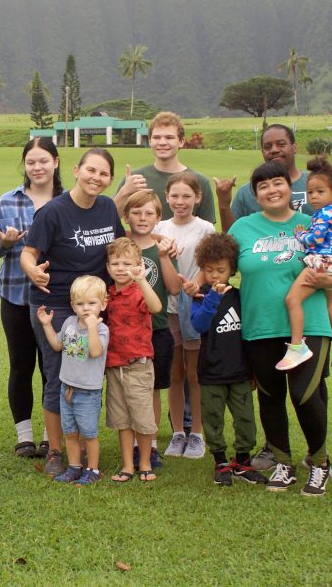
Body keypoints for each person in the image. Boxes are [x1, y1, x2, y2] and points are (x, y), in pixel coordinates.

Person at [213, 123, 332, 472]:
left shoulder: (311, 222)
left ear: (290, 188)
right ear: (255, 194)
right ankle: (282, 462)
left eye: (277, 183)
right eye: (263, 186)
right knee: (271, 397)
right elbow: (220, 265)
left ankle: (319, 460)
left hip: (310, 323)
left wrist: (330, 279)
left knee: (304, 395)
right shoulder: (243, 228)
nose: (271, 190)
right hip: (260, 325)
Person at [21, 148, 125, 476]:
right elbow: (28, 252)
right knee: (59, 375)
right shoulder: (53, 212)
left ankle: (79, 443)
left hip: (93, 305)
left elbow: (119, 249)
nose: (96, 178)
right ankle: (55, 450)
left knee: (88, 372)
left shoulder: (107, 208)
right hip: (56, 306)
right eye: (91, 170)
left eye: (104, 174)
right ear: (77, 170)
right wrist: (33, 271)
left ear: (109, 180)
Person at [0, 137, 62, 459]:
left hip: (56, 297)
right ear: (25, 166)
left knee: (52, 366)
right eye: (31, 162)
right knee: (20, 366)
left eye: (43, 160)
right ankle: (24, 436)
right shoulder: (8, 201)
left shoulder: (68, 201)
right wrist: (5, 244)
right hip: (15, 295)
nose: (37, 167)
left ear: (56, 163)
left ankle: (50, 435)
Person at [189, 233, 265, 487]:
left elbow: (250, 333)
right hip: (211, 372)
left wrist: (254, 369)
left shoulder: (241, 296)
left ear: (232, 269)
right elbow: (198, 325)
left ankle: (242, 461)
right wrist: (212, 298)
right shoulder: (199, 296)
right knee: (212, 419)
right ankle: (220, 461)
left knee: (246, 419)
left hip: (240, 371)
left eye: (220, 270)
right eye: (209, 270)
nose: (214, 276)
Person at [155, 171, 216, 460]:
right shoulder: (159, 227)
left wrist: (198, 282)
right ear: (167, 197)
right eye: (175, 196)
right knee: (174, 373)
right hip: (167, 309)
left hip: (195, 306)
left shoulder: (205, 228)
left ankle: (198, 434)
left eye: (186, 196)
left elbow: (213, 261)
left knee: (195, 373)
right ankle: (178, 431)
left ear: (198, 198)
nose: (180, 201)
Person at [121, 190, 180, 471]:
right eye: (136, 212)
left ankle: (151, 445)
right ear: (126, 215)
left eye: (149, 213)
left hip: (156, 330)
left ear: (159, 217)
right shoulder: (120, 246)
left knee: (152, 389)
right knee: (127, 389)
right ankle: (131, 443)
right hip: (125, 332)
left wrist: (165, 256)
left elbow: (174, 288)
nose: (142, 218)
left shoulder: (162, 248)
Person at [281, 157, 332, 369]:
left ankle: (297, 347)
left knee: (292, 300)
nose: (313, 197)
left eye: (320, 192)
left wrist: (301, 236)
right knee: (327, 303)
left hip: (320, 263)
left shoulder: (323, 215)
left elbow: (315, 239)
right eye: (310, 192)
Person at [35, 275, 109, 485]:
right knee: (70, 433)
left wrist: (92, 326)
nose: (86, 308)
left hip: (88, 391)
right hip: (66, 389)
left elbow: (95, 351)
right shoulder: (69, 323)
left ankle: (92, 469)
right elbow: (58, 345)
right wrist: (47, 325)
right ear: (72, 305)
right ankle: (74, 466)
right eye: (80, 303)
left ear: (103, 304)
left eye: (92, 303)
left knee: (89, 434)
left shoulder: (102, 329)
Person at [103, 238, 163, 483]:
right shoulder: (107, 294)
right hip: (114, 365)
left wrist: (141, 280)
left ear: (138, 265)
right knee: (122, 419)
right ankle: (128, 465)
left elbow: (156, 307)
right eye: (115, 263)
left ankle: (145, 463)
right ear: (107, 267)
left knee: (142, 418)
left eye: (127, 263)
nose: (120, 268)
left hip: (138, 365)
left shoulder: (139, 291)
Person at [113, 111, 216, 223]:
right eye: (157, 137)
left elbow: (207, 233)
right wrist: (124, 192)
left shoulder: (200, 182)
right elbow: (107, 222)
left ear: (181, 141)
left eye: (169, 137)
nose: (162, 142)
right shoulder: (134, 180)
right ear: (150, 141)